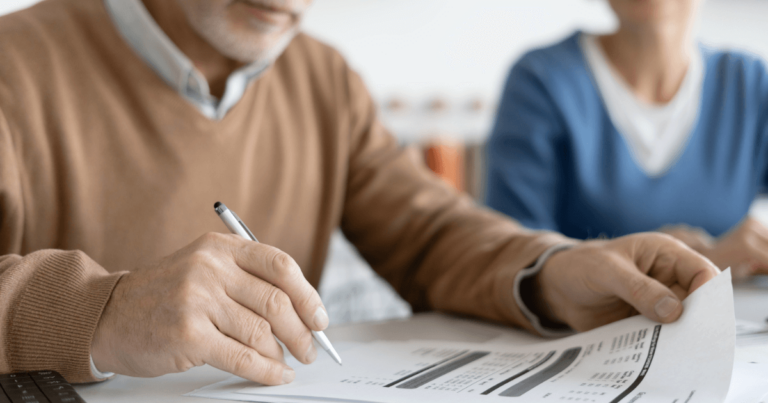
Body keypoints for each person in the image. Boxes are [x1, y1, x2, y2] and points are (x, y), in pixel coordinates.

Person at [0, 0, 717, 386]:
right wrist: (103, 311)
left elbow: (430, 230)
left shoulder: (324, 78)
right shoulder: (15, 64)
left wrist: (554, 269)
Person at [485, 0, 768, 278]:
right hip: (589, 323)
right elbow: (514, 260)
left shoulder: (751, 84)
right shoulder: (540, 81)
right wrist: (687, 264)